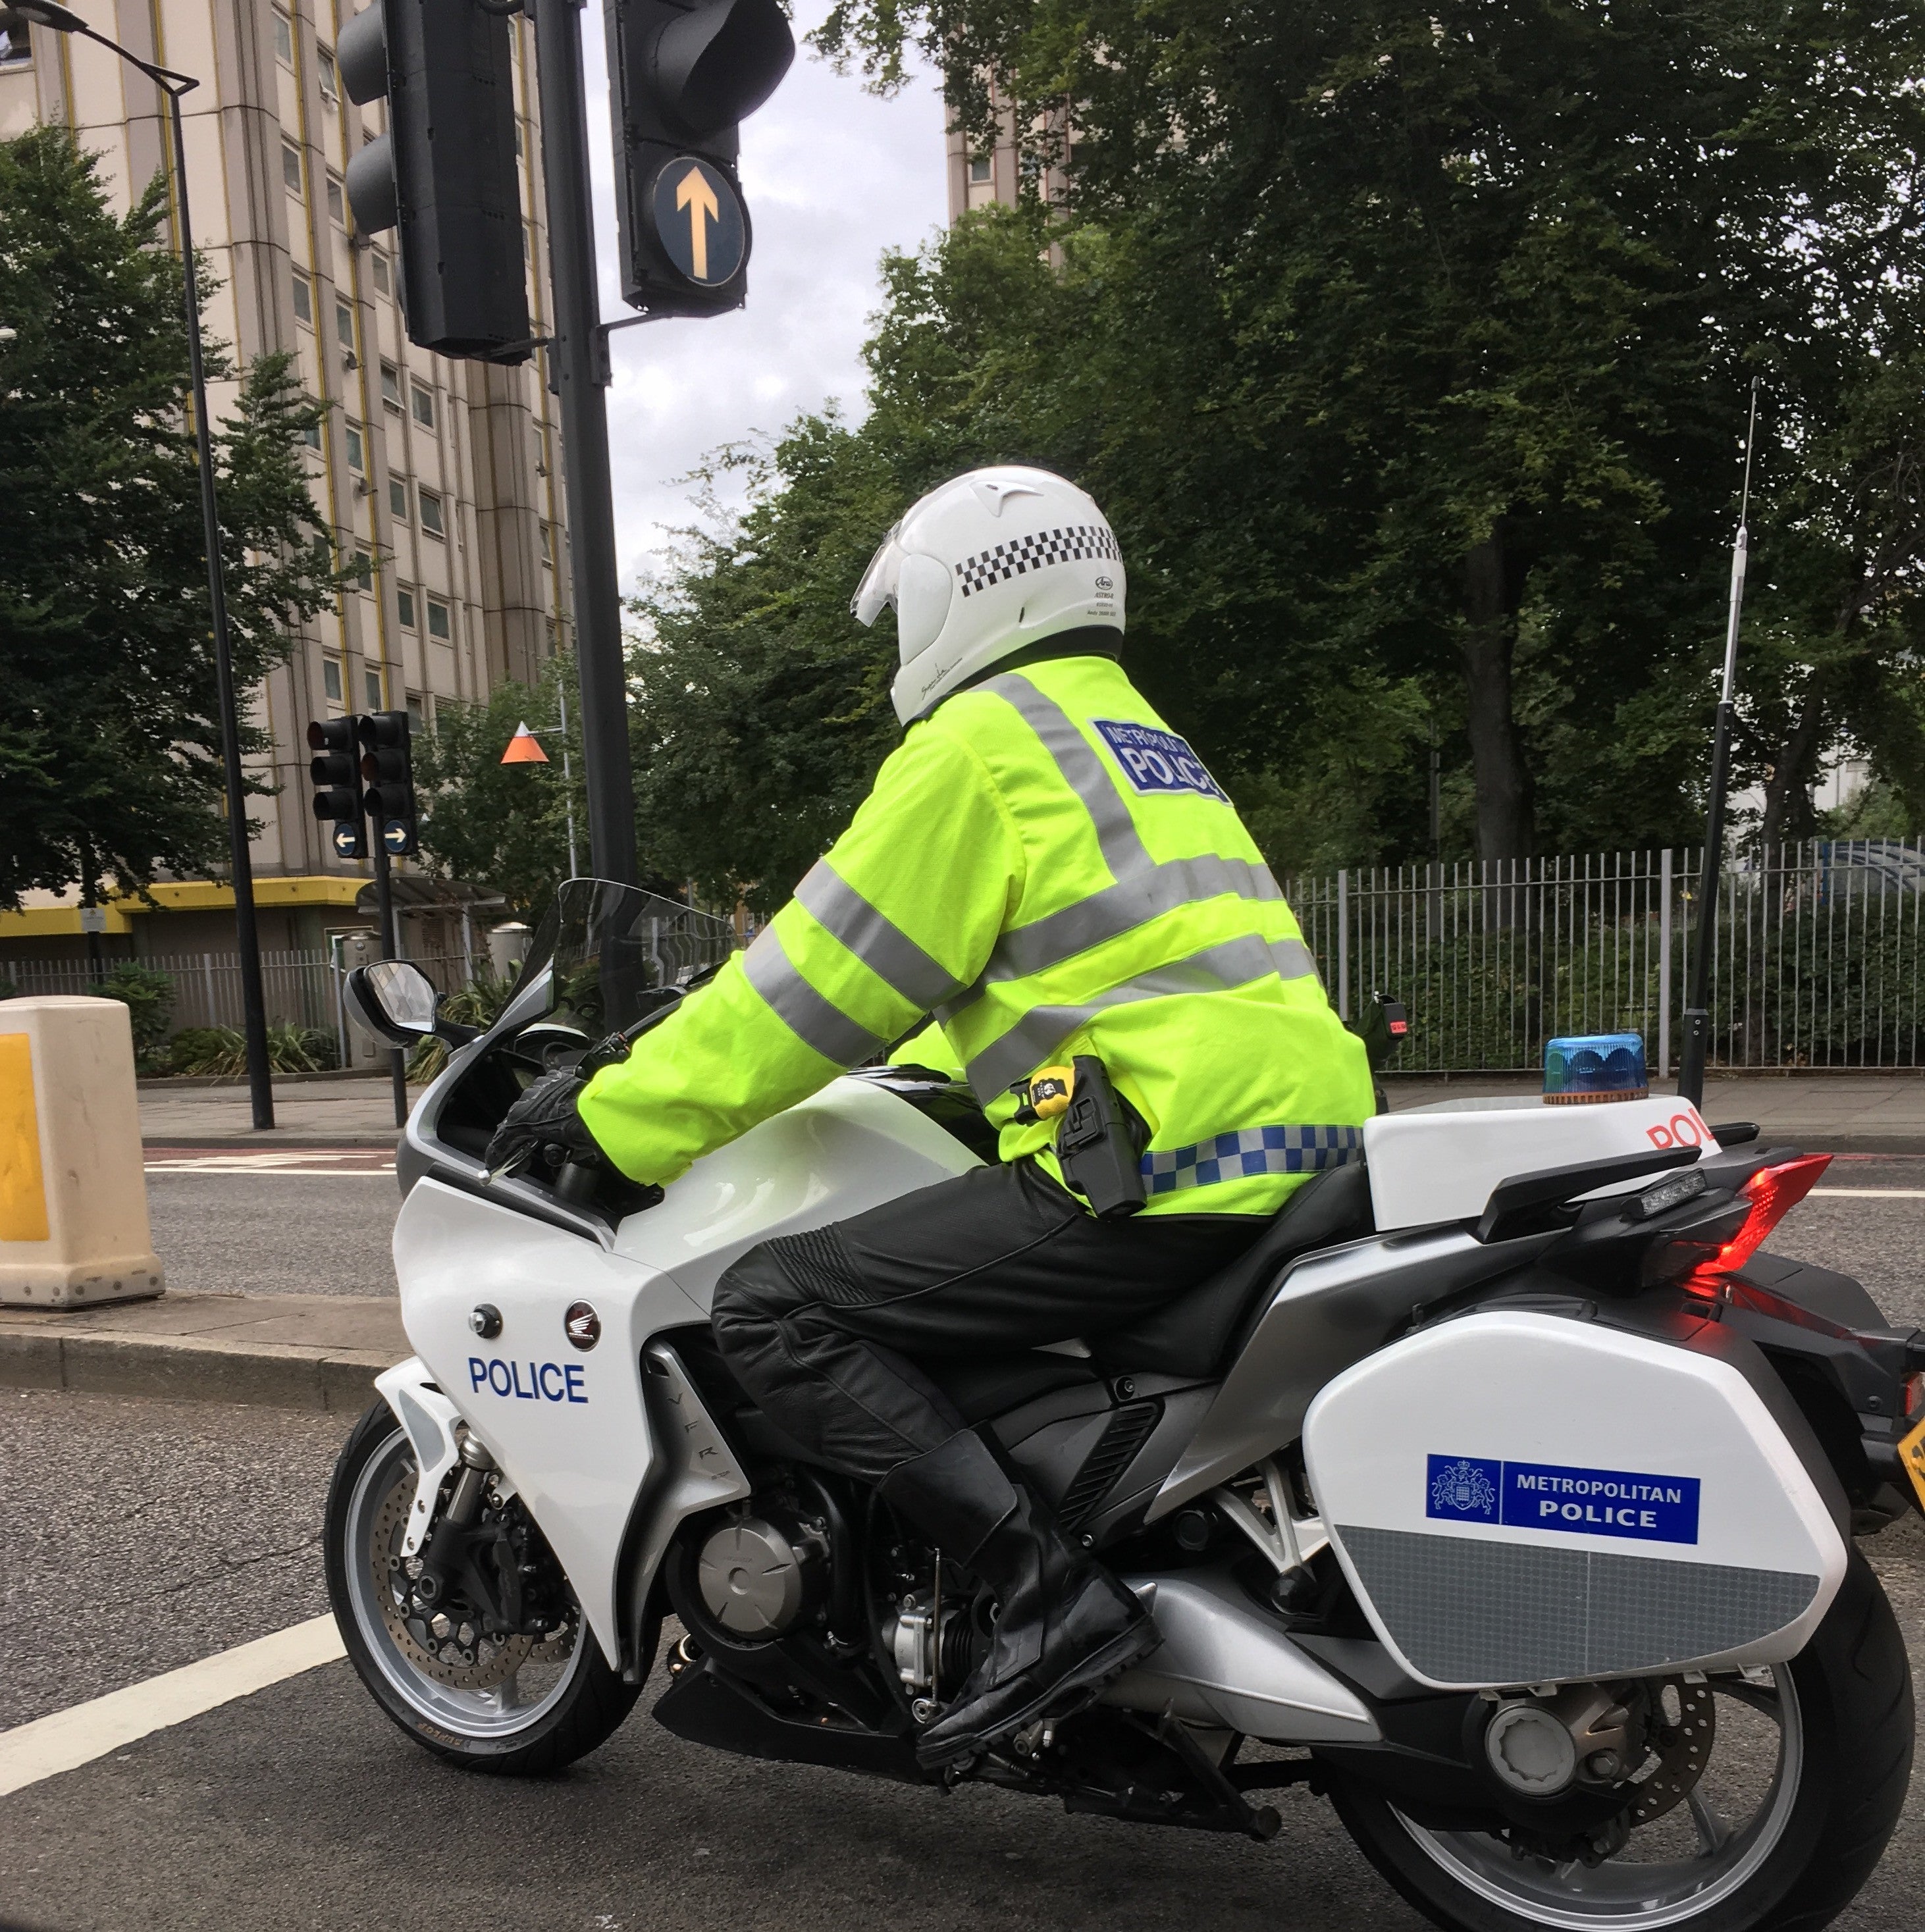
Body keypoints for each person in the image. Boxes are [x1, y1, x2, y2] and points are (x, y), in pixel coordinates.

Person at [486, 466, 1373, 1769]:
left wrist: (614, 1121)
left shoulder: (981, 749)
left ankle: (1041, 1598)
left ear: (968, 596)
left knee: (775, 1308)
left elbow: (811, 990)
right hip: (1293, 1141)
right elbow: (1110, 981)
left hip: (1168, 1167)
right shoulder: (1133, 737)